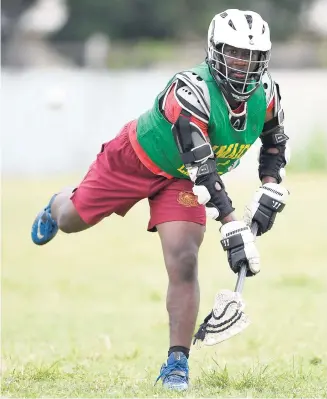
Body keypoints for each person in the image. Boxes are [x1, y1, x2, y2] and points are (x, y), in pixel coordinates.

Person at [31, 9, 289, 391]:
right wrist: (233, 223)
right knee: (72, 218)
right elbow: (201, 164)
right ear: (215, 51)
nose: (243, 64)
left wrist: (271, 185)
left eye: (253, 56)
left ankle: (176, 364)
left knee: (184, 258)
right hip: (134, 160)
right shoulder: (190, 89)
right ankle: (57, 204)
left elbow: (275, 143)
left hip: (182, 181)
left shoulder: (267, 93)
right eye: (234, 53)